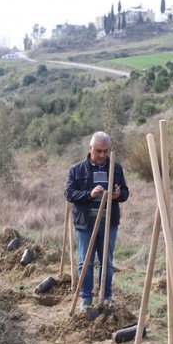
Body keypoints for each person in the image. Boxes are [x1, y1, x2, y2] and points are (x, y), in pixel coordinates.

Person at [64, 131, 129, 312]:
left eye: (105, 151)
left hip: (108, 223)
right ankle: (86, 299)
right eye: (98, 151)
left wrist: (118, 195)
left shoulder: (116, 168)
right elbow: (69, 194)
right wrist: (89, 194)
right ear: (90, 148)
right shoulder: (76, 170)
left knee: (106, 262)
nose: (102, 155)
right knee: (85, 262)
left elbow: (125, 192)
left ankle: (106, 297)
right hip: (85, 224)